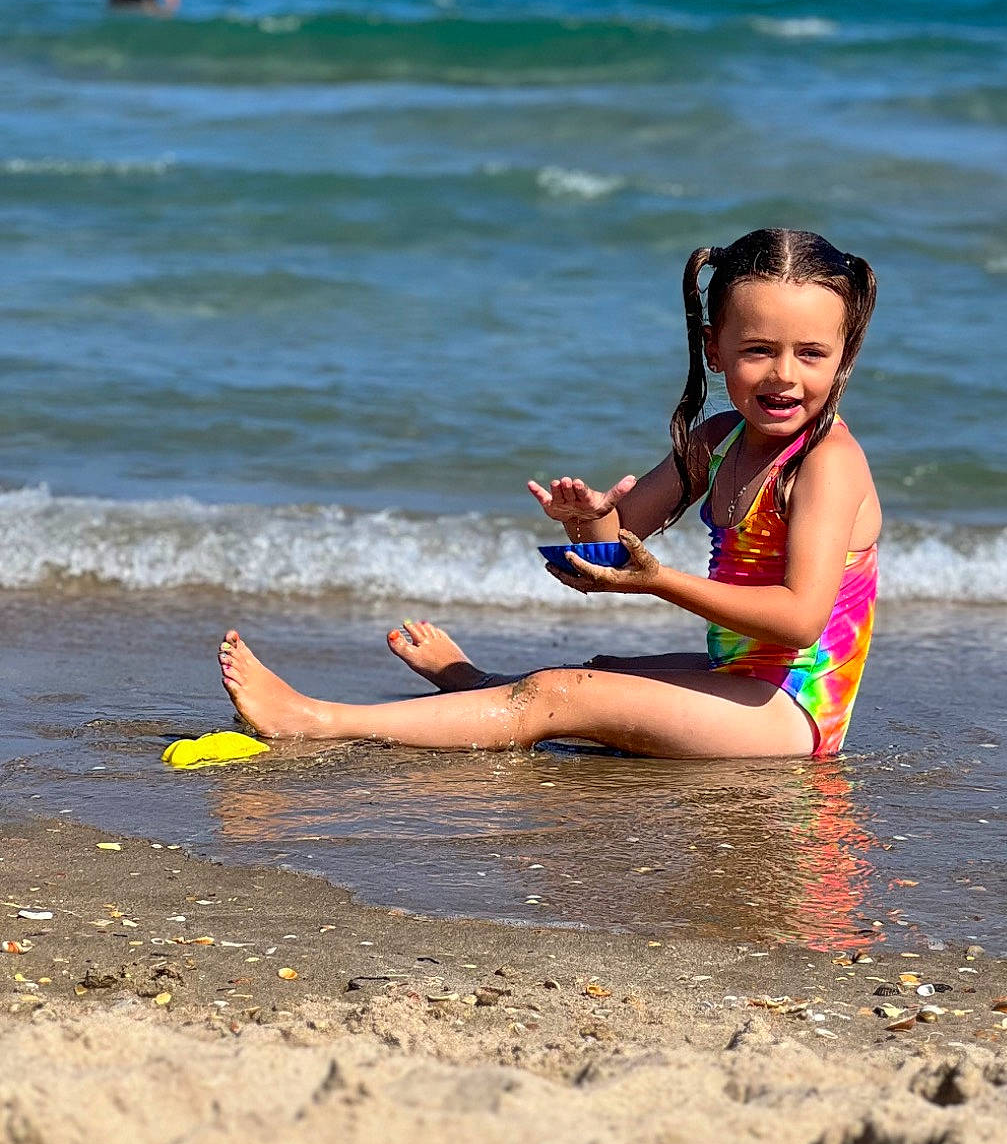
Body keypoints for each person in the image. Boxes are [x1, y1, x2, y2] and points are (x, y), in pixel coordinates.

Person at [217, 228, 882, 761]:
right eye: (759, 350)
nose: (784, 375)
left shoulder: (828, 461)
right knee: (599, 670)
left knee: (563, 695)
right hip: (740, 679)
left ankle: (314, 719)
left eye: (811, 354)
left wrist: (659, 582)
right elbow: (610, 558)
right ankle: (472, 686)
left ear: (844, 352)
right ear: (715, 348)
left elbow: (799, 619)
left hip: (795, 714)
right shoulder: (719, 440)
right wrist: (591, 522)